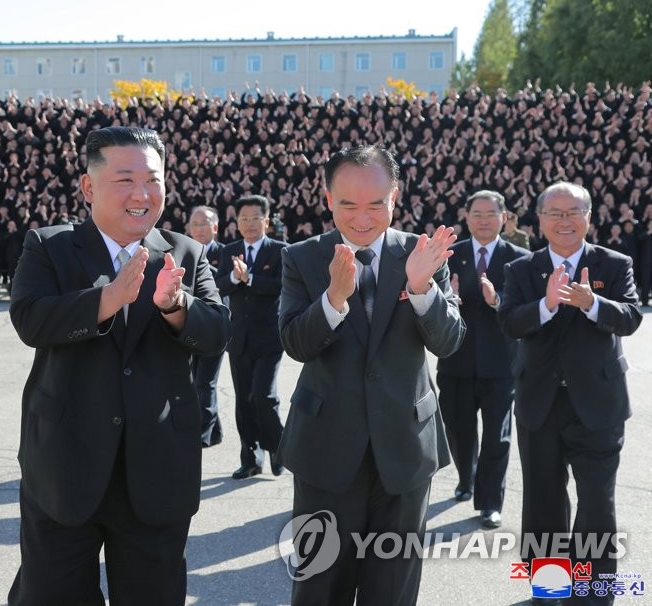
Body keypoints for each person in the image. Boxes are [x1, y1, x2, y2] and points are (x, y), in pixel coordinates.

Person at [7, 126, 230, 605]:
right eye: (125, 180)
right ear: (89, 188)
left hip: (156, 467)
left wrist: (176, 306)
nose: (141, 193)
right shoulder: (50, 246)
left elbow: (215, 332)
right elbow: (30, 320)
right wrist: (105, 300)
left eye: (152, 180)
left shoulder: (185, 252)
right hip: (66, 464)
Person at [278, 145, 465, 605]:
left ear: (395, 196)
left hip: (404, 447)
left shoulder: (421, 253)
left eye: (376, 204)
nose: (362, 218)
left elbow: (449, 341)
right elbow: (296, 344)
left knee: (394, 588)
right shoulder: (301, 257)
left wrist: (421, 288)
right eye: (348, 204)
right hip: (326, 447)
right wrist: (333, 300)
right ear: (327, 199)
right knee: (319, 585)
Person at [499, 181, 642, 599]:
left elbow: (631, 317)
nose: (565, 220)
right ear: (539, 220)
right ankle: (550, 586)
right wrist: (545, 306)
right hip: (539, 404)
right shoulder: (520, 269)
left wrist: (590, 303)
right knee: (543, 501)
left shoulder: (614, 264)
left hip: (598, 404)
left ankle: (593, 590)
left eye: (573, 212)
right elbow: (509, 322)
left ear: (589, 218)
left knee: (597, 501)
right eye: (555, 213)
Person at [436, 190, 529, 530]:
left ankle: (490, 502)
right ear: (467, 217)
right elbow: (431, 301)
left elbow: (524, 308)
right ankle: (467, 476)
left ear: (504, 218)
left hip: (502, 364)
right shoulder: (449, 256)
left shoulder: (519, 258)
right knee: (458, 432)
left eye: (492, 214)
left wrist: (497, 300)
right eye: (478, 213)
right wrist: (450, 299)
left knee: (497, 437)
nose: (484, 220)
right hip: (455, 361)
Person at [216, 194, 288, 478]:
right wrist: (235, 279)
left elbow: (280, 286)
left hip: (269, 337)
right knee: (244, 400)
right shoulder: (228, 251)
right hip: (239, 338)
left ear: (266, 221)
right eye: (243, 218)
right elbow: (219, 284)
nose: (249, 223)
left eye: (255, 218)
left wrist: (251, 279)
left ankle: (278, 449)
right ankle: (251, 457)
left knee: (263, 395)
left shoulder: (280, 250)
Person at [186, 205, 226, 448]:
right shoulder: (184, 252)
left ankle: (201, 436)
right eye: (195, 224)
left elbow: (224, 285)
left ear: (216, 227)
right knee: (193, 381)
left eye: (205, 223)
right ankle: (216, 431)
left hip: (214, 326)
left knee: (205, 383)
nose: (200, 229)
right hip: (190, 326)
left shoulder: (226, 253)